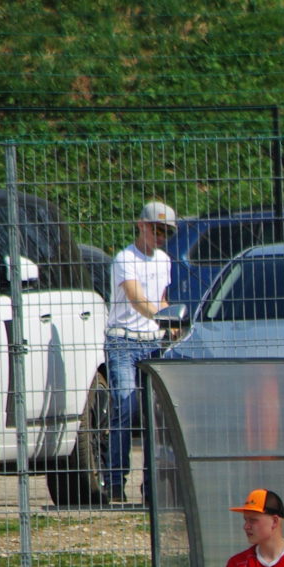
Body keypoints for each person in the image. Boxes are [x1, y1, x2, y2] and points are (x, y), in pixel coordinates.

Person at [105, 200, 178, 503]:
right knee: (125, 407)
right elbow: (136, 299)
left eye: (166, 232)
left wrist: (171, 321)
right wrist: (163, 317)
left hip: (153, 342)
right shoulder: (125, 258)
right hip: (123, 342)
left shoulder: (163, 260)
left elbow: (160, 299)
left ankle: (151, 488)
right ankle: (114, 482)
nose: (160, 237)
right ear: (141, 225)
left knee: (154, 416)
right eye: (156, 230)